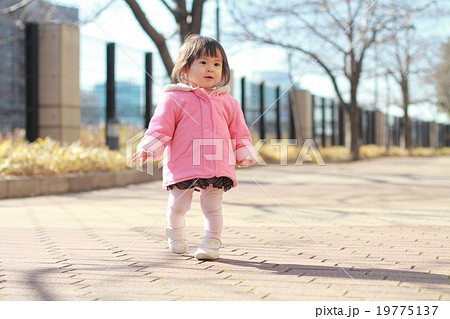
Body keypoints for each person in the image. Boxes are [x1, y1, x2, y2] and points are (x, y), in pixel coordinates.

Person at [132, 34, 256, 260]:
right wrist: (149, 147)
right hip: (184, 164)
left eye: (217, 64)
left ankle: (212, 242)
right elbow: (161, 127)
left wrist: (243, 151)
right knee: (179, 206)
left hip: (217, 164)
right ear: (186, 68)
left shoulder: (227, 101)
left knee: (213, 208)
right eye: (204, 62)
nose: (211, 69)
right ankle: (176, 232)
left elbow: (239, 130)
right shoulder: (175, 98)